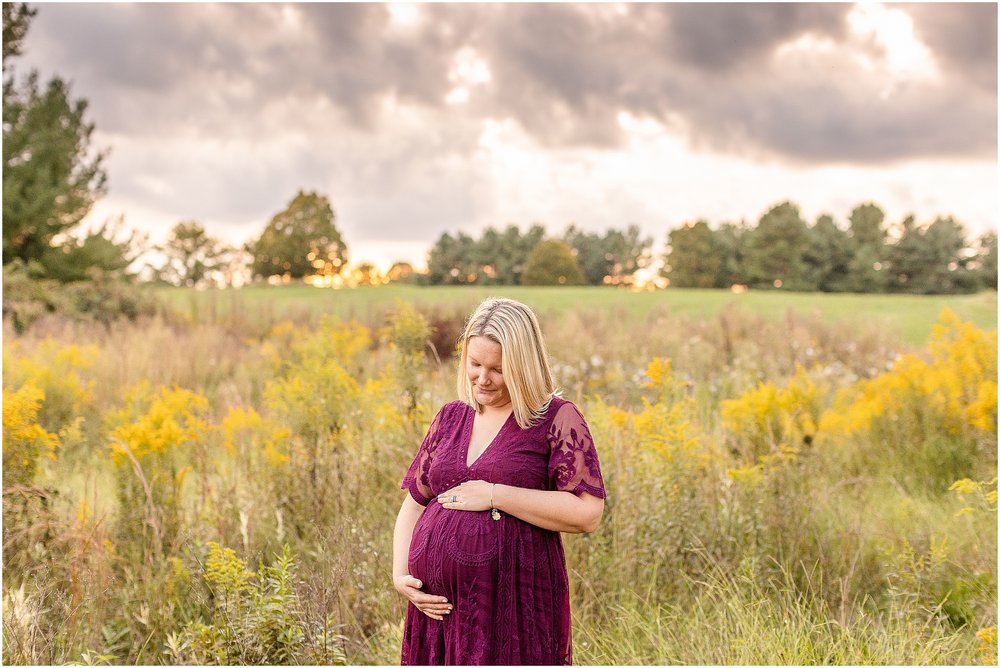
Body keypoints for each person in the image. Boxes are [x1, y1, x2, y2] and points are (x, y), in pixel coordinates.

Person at [392, 297, 606, 665]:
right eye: (474, 364)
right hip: (436, 616)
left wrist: (495, 495)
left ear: (524, 367)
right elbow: (414, 501)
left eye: (498, 368)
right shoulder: (450, 417)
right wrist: (401, 575)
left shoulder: (556, 419)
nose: (482, 378)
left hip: (512, 611)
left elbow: (587, 513)